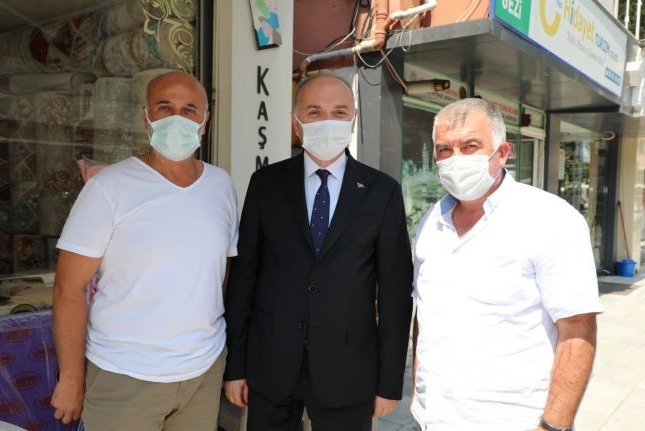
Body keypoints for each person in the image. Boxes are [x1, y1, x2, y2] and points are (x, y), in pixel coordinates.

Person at [223, 74, 413, 431]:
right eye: (315, 112)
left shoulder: (381, 191)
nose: (328, 121)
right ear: (296, 122)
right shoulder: (265, 185)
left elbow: (394, 293)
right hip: (271, 364)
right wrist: (236, 368)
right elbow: (244, 279)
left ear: (353, 119)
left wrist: (389, 383)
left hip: (349, 369)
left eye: (339, 112)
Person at [50, 71, 238, 431]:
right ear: (146, 116)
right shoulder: (109, 187)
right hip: (125, 376)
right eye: (164, 107)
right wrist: (71, 379)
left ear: (205, 120)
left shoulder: (221, 185)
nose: (177, 119)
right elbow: (68, 287)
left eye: (189, 109)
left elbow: (220, 274)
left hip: (203, 371)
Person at [411, 98, 603, 431]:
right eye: (444, 149)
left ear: (502, 152)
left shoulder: (551, 220)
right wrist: (418, 395)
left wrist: (553, 425)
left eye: (470, 146)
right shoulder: (430, 222)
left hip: (513, 421)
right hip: (431, 418)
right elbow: (424, 315)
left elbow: (577, 329)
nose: (456, 159)